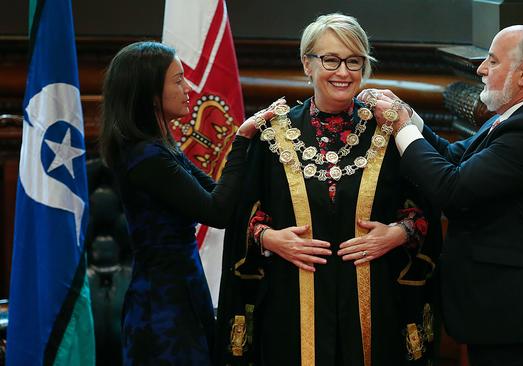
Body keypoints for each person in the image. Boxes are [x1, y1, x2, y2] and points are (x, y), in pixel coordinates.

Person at [216, 13, 442, 366]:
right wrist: (268, 237)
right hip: (292, 301)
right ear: (307, 64)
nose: (344, 72)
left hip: (375, 302)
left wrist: (399, 233)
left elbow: (428, 201)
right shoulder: (272, 134)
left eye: (354, 61)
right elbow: (240, 212)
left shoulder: (389, 130)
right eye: (331, 59)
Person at [360, 25, 523, 366]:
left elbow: (452, 189)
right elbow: (453, 157)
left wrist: (402, 127)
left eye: (492, 61)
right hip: (503, 319)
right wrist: (408, 116)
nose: (481, 69)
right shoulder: (511, 118)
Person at [99, 41, 275, 365]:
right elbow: (217, 212)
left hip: (183, 290)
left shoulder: (161, 146)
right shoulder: (146, 157)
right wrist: (241, 139)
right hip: (162, 308)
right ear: (151, 92)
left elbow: (217, 192)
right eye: (178, 80)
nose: (188, 88)